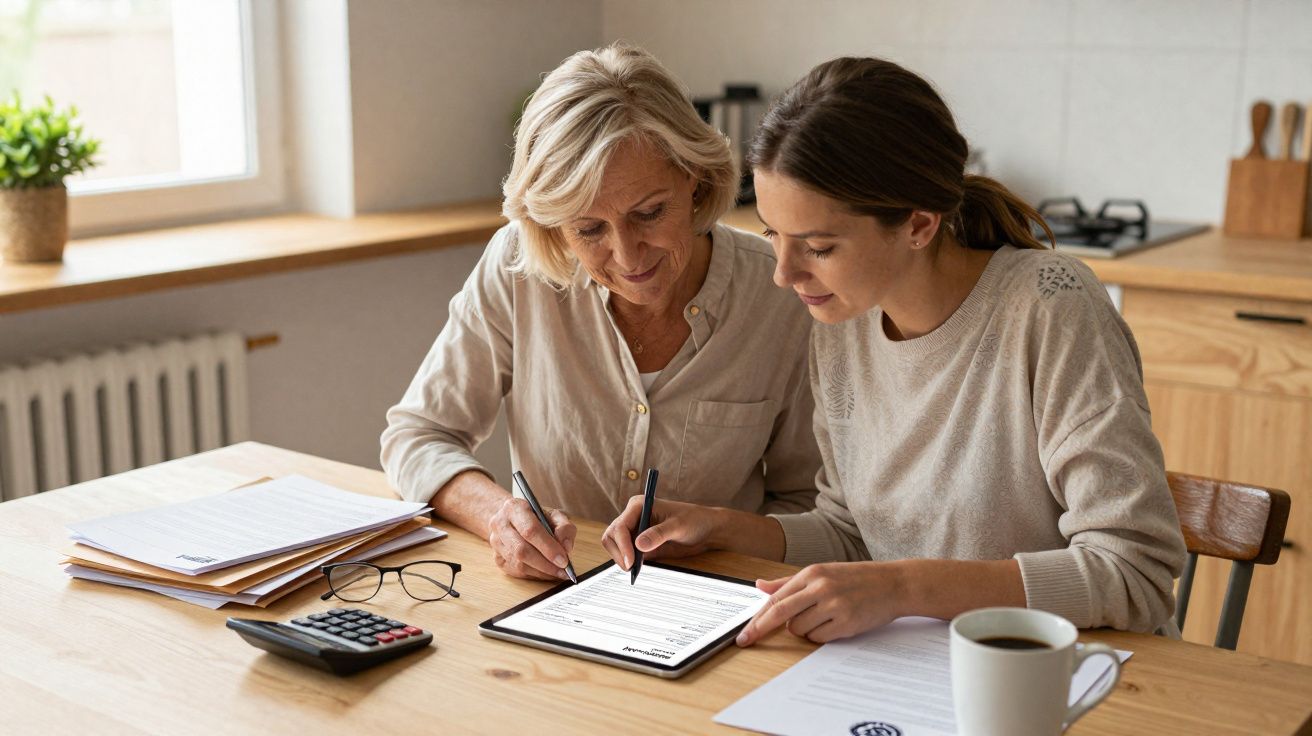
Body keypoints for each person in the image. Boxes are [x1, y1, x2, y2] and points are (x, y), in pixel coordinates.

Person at [602, 57, 1187, 643]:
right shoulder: (842, 319)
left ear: (918, 225)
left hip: (1067, 673)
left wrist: (905, 588)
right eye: (772, 236)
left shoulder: (1051, 307)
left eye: (819, 246)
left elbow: (1134, 571)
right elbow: (853, 532)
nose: (783, 274)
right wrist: (724, 528)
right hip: (920, 665)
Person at [381, 44, 820, 582]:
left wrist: (721, 532)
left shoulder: (778, 295)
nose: (628, 256)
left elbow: (810, 505)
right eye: (588, 229)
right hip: (551, 600)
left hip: (719, 608)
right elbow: (418, 436)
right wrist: (501, 518)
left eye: (650, 213)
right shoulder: (518, 269)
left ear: (696, 178)